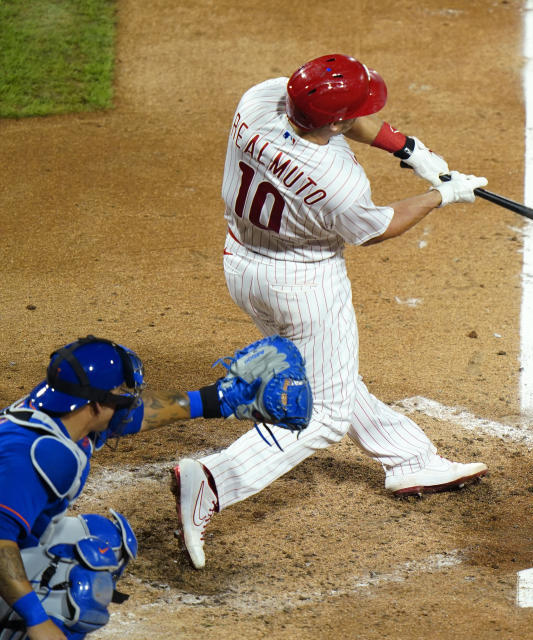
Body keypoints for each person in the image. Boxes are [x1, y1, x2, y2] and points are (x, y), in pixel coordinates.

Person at [171, 53, 490, 570]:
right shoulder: (337, 180)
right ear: (335, 122)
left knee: (331, 372)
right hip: (303, 285)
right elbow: (377, 227)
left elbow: (336, 117)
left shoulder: (259, 99)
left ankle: (409, 458)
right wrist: (441, 195)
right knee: (322, 415)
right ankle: (211, 480)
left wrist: (409, 150)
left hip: (243, 263)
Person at [0, 335, 309, 640]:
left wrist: (220, 398)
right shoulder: (40, 456)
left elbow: (137, 414)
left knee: (102, 539)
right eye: (119, 393)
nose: (127, 401)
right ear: (94, 404)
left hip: (19, 535)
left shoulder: (59, 412)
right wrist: (37, 619)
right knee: (80, 580)